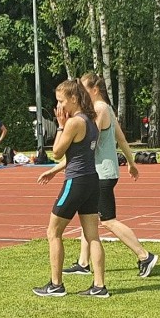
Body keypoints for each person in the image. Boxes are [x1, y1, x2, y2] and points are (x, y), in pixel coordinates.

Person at [56, 73, 158, 278]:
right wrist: (130, 163)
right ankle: (84, 262)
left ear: (95, 90)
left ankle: (144, 255)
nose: (81, 94)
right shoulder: (107, 109)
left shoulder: (99, 109)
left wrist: (56, 168)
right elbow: (120, 137)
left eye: (84, 89)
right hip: (105, 170)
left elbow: (87, 147)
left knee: (107, 220)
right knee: (89, 219)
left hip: (100, 172)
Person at [35, 79, 108, 298]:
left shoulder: (74, 122)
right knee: (93, 235)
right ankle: (99, 286)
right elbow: (80, 154)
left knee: (53, 232)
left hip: (75, 181)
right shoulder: (91, 119)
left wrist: (59, 125)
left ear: (73, 99)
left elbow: (56, 151)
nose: (59, 107)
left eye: (61, 101)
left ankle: (56, 285)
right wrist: (55, 171)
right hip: (90, 180)